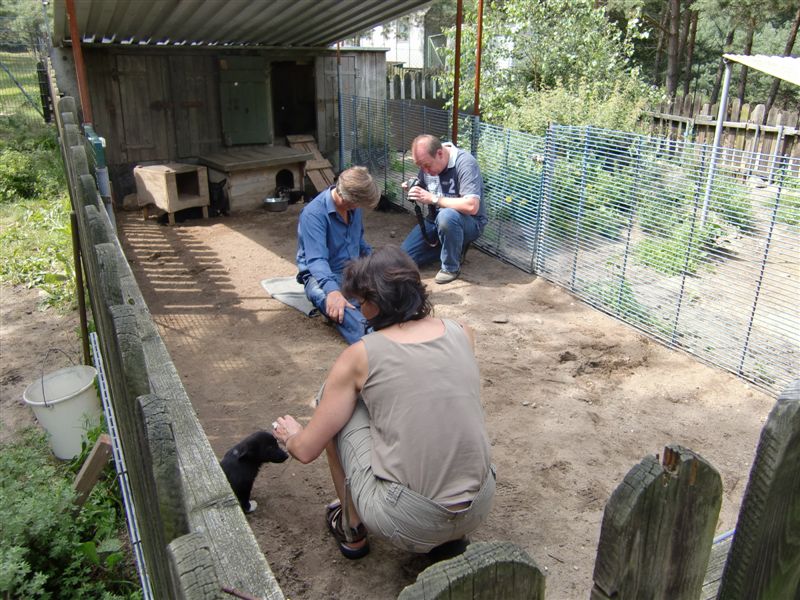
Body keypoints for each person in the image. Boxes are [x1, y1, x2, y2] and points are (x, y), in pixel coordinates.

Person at [274, 245, 495, 559]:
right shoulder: (462, 332)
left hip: (409, 520)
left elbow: (306, 451)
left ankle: (351, 528)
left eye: (361, 302)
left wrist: (292, 436)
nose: (359, 309)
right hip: (479, 506)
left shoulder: (361, 355)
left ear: (375, 303)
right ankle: (450, 533)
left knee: (332, 399)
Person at [296, 166, 380, 344]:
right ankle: (371, 339)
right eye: (359, 204)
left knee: (388, 292)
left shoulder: (354, 208)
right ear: (349, 198)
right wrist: (333, 291)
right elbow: (317, 260)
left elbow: (359, 243)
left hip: (353, 271)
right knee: (338, 304)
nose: (360, 208)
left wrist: (376, 265)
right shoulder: (313, 214)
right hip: (321, 276)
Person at [401, 134, 487, 284]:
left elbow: (472, 206)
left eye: (427, 165)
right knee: (402, 259)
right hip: (435, 220)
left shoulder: (465, 163)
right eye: (420, 166)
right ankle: (455, 248)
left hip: (468, 222)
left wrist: (434, 199)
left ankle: (450, 267)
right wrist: (414, 186)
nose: (425, 170)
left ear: (440, 153)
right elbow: (424, 184)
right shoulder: (429, 164)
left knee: (447, 216)